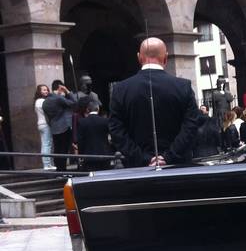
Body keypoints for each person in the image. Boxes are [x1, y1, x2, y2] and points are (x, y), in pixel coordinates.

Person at [108, 37, 201, 167]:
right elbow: (191, 127)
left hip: (137, 170)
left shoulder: (120, 90)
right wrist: (169, 156)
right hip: (178, 168)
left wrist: (143, 159)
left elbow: (116, 131)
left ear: (139, 58)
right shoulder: (183, 87)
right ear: (166, 57)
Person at [42, 79, 77, 171]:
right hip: (64, 127)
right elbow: (74, 102)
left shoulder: (45, 102)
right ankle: (63, 170)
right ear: (60, 88)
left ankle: (59, 169)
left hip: (54, 128)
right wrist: (68, 92)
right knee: (64, 150)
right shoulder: (58, 98)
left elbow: (47, 118)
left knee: (57, 149)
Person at [76, 101, 113, 171]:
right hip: (104, 154)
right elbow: (113, 136)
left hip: (89, 155)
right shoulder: (105, 121)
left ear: (87, 110)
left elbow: (80, 141)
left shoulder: (82, 122)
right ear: (98, 109)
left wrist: (81, 154)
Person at [34, 84, 55, 170]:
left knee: (45, 144)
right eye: (43, 90)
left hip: (40, 124)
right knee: (47, 144)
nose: (46, 91)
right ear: (39, 91)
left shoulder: (37, 101)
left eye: (46, 90)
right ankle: (47, 164)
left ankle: (47, 164)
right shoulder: (43, 101)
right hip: (45, 124)